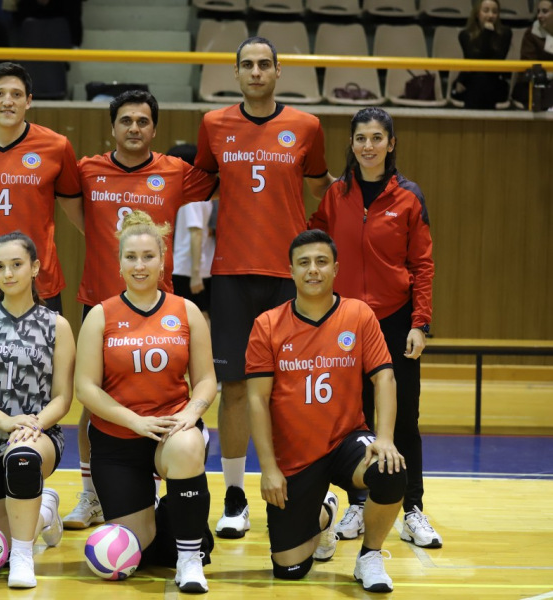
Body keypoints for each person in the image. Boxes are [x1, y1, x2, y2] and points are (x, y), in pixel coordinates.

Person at [194, 35, 333, 539]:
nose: (256, 72)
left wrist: (312, 243)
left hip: (287, 277)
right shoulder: (214, 124)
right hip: (231, 274)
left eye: (264, 64)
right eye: (247, 65)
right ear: (236, 73)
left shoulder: (306, 126)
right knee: (233, 389)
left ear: (278, 72)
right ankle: (234, 497)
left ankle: (307, 487)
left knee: (291, 389)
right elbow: (197, 184)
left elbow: (321, 188)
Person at [62, 91, 217, 530]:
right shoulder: (88, 170)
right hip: (101, 302)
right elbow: (76, 211)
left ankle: (171, 475)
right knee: (95, 403)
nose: (134, 128)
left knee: (162, 390)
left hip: (158, 306)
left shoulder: (175, 171)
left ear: (154, 128)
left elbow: (222, 175)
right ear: (112, 127)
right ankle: (91, 495)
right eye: (126, 120)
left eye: (143, 121)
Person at [246, 229, 406, 594]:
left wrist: (384, 439)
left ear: (336, 268)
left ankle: (370, 556)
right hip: (294, 458)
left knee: (390, 469)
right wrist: (268, 468)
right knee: (290, 571)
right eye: (304, 263)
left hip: (346, 441)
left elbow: (384, 378)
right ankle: (325, 512)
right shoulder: (267, 325)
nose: (313, 270)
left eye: (321, 262)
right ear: (291, 271)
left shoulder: (358, 314)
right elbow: (256, 400)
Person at [309, 108, 439, 548]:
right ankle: (359, 503)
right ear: (351, 143)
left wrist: (420, 323)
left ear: (391, 143)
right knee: (354, 419)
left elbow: (422, 265)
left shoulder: (409, 196)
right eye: (361, 138)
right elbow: (314, 242)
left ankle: (413, 508)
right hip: (345, 321)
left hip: (396, 321)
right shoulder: (336, 195)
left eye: (377, 138)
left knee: (404, 418)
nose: (368, 146)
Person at [75, 211, 218, 594]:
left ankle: (190, 560)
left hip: (171, 432)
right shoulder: (101, 315)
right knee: (135, 554)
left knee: (187, 445)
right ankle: (179, 519)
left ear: (163, 261)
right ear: (119, 264)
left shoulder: (185, 311)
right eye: (131, 257)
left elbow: (206, 380)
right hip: (118, 442)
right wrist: (133, 421)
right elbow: (85, 388)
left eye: (148, 256)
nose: (140, 265)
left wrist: (191, 414)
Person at [0, 231, 75, 589]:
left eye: (16, 264)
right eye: (0, 266)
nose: (7, 273)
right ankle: (45, 510)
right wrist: (7, 422)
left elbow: (62, 398)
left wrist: (30, 425)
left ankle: (25, 559)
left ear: (35, 267)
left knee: (22, 457)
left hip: (36, 436)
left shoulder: (57, 325)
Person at [0, 61, 82, 323]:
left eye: (16, 94)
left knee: (48, 352)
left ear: (28, 101)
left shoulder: (56, 146)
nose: (8, 101)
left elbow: (74, 208)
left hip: (40, 282)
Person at [166, 144, 216, 324]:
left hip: (187, 269)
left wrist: (195, 274)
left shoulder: (192, 198)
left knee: (195, 317)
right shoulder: (204, 195)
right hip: (197, 267)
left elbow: (196, 233)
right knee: (200, 315)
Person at [454, 0, 513, 109]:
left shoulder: (505, 33)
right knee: (479, 81)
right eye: (486, 11)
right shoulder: (465, 35)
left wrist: (487, 34)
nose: (490, 15)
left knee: (483, 80)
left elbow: (495, 63)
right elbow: (473, 62)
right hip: (472, 80)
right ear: (477, 13)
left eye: (494, 12)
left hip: (494, 81)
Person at [513, 0, 553, 107]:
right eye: (538, 11)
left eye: (544, 11)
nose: (539, 15)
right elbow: (529, 64)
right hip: (534, 84)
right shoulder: (531, 34)